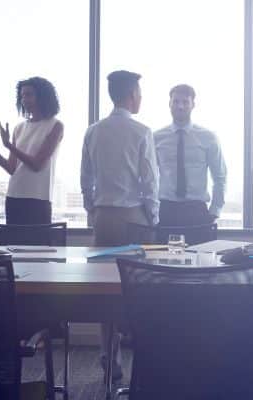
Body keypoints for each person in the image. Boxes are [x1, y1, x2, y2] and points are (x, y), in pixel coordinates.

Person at [80, 70, 158, 381]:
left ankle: (108, 356)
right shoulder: (142, 131)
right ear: (130, 96)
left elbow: (85, 177)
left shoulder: (93, 131)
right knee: (138, 289)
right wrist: (152, 216)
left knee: (104, 290)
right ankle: (146, 358)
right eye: (139, 93)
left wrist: (92, 208)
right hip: (134, 219)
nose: (141, 98)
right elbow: (149, 180)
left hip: (104, 217)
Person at [0, 77, 63, 225]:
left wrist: (9, 145)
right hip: (14, 196)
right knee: (13, 245)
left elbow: (37, 165)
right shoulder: (19, 128)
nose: (24, 100)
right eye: (22, 96)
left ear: (42, 96)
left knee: (37, 247)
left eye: (29, 95)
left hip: (38, 198)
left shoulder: (55, 125)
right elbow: (11, 168)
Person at [153, 84, 226, 226]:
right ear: (169, 104)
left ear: (193, 105)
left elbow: (219, 176)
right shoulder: (156, 138)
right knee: (163, 249)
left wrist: (214, 211)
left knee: (199, 249)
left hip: (196, 210)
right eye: (176, 101)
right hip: (166, 210)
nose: (180, 106)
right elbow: (148, 176)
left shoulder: (208, 137)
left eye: (185, 102)